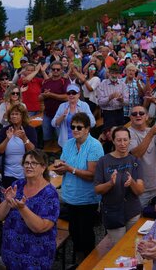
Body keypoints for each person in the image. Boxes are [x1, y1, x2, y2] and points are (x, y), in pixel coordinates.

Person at [0, 149, 60, 270]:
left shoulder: (50, 194)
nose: (29, 166)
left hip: (35, 258)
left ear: (43, 167)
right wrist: (7, 201)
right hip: (11, 253)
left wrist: (23, 208)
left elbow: (40, 227)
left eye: (34, 163)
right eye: (26, 163)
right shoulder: (17, 185)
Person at [52, 112, 102, 264]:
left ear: (87, 129)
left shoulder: (95, 146)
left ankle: (88, 262)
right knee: (74, 231)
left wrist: (69, 169)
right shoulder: (69, 143)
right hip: (70, 196)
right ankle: (79, 260)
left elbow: (91, 175)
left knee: (85, 233)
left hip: (87, 199)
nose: (75, 130)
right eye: (72, 127)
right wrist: (59, 166)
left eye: (79, 127)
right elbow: (64, 163)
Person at [94, 126, 145, 244]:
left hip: (132, 212)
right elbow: (97, 189)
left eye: (125, 140)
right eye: (119, 140)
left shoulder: (135, 161)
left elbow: (140, 190)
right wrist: (110, 183)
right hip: (112, 213)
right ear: (113, 141)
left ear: (130, 140)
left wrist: (131, 181)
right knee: (118, 249)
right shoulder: (103, 161)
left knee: (133, 247)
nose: (122, 143)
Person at [127, 105, 156, 207]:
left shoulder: (151, 131)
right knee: (137, 220)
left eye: (141, 113)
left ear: (147, 116)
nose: (138, 115)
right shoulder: (128, 133)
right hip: (138, 189)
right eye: (134, 114)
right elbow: (136, 155)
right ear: (130, 117)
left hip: (153, 186)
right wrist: (151, 133)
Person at [0, 104, 37, 188]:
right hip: (8, 173)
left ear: (22, 116)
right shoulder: (4, 131)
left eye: (17, 114)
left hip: (25, 173)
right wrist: (7, 139)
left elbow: (33, 151)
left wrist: (24, 138)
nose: (14, 116)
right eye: (12, 114)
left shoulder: (30, 130)